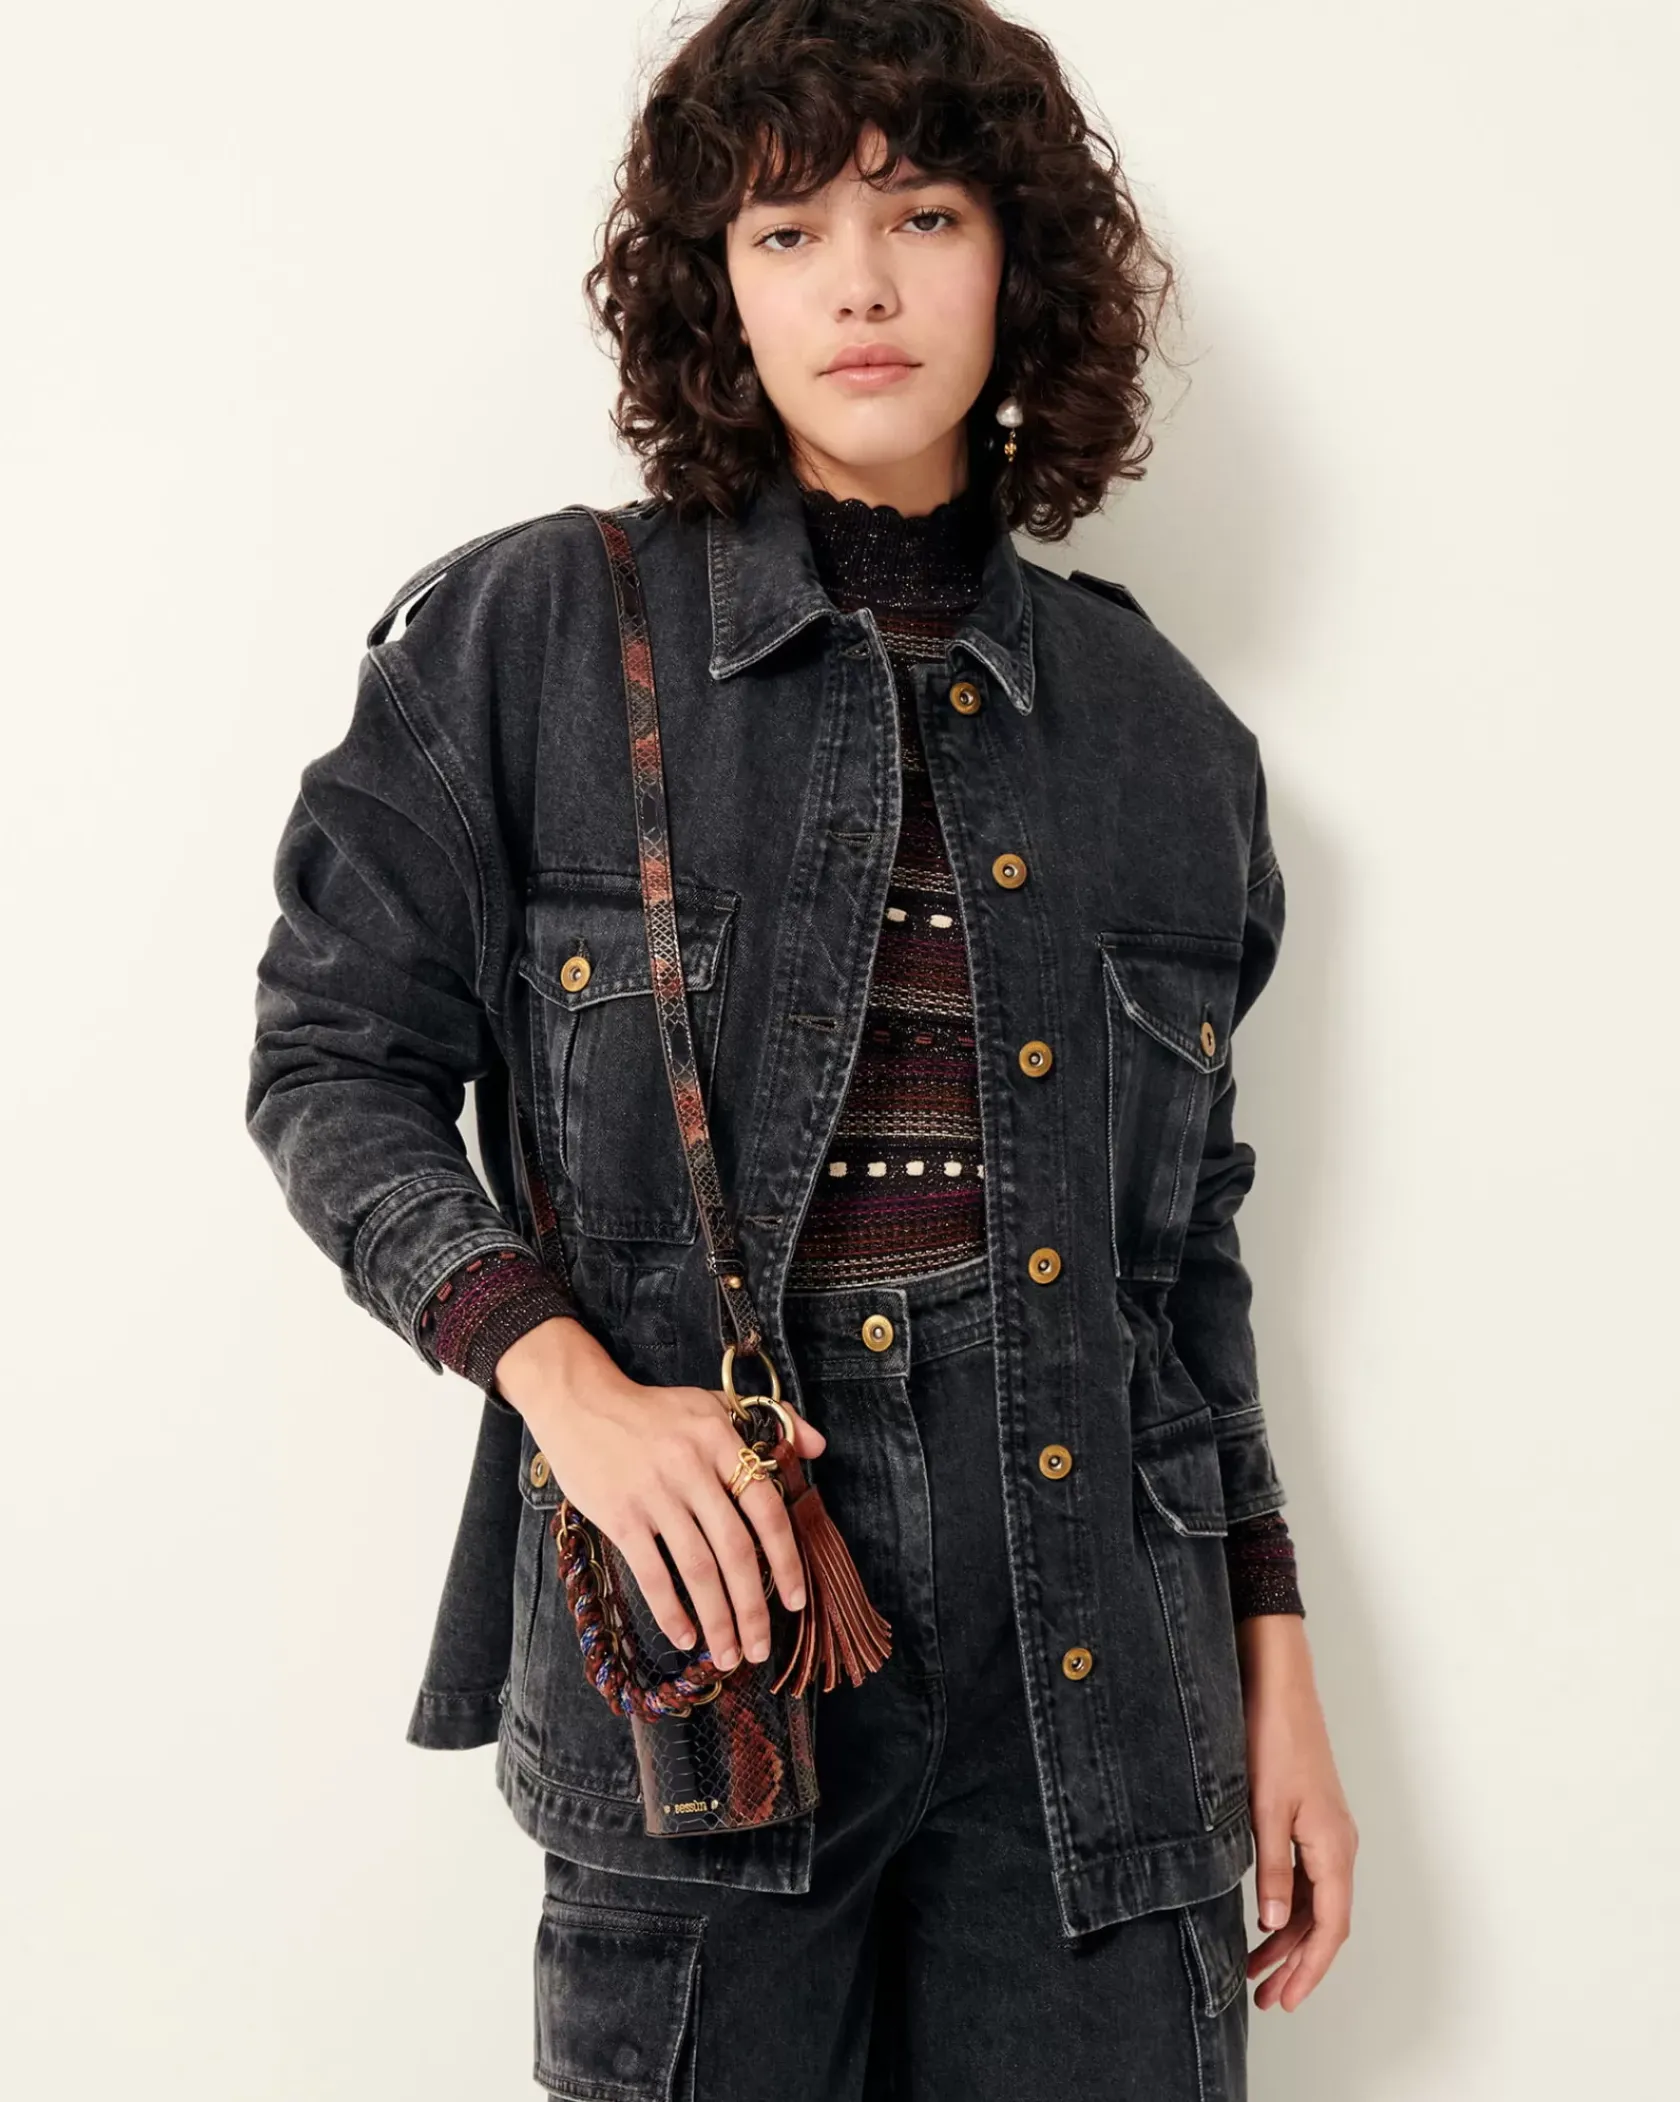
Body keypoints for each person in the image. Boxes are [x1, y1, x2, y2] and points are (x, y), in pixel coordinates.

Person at [248, 1, 1357, 2094]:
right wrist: (565, 1385)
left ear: (1015, 258)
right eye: (786, 231)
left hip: (1103, 1679)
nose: (859, 283)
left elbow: (1183, 1260)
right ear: (716, 286)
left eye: (922, 214)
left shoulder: (1167, 741)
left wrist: (1273, 1661)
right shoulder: (533, 640)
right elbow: (331, 1057)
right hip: (715, 1647)